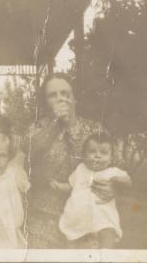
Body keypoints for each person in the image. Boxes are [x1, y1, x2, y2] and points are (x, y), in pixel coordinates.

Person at [23, 73, 114, 248]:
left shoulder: (95, 129)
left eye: (66, 94)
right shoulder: (37, 128)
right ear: (45, 103)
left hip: (87, 218)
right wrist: (56, 123)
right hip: (44, 218)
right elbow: (27, 154)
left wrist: (113, 187)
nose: (61, 99)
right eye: (53, 95)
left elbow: (116, 170)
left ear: (74, 99)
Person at [51, 132, 131, 248]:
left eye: (103, 153)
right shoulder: (80, 169)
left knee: (107, 231)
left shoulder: (112, 172)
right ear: (83, 155)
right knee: (71, 236)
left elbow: (128, 181)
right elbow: (72, 186)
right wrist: (58, 186)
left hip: (102, 214)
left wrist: (117, 180)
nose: (97, 155)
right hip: (78, 214)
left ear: (111, 159)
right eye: (92, 151)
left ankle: (106, 255)